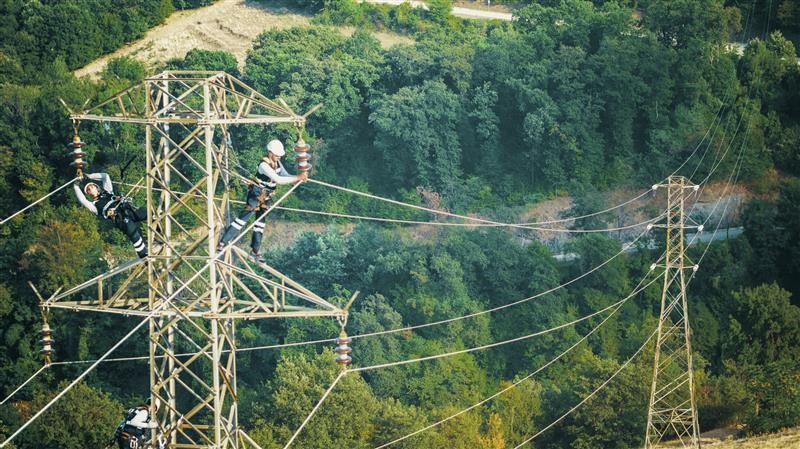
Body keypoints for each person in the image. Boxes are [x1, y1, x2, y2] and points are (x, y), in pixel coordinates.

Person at [217, 139, 307, 261]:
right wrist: (298, 177)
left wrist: (298, 178)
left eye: (280, 156)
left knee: (260, 224)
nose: (279, 158)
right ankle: (222, 242)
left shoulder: (277, 163)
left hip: (267, 196)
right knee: (243, 220)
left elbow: (284, 175)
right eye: (277, 155)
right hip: (256, 194)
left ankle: (255, 250)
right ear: (270, 152)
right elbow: (278, 179)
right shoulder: (263, 165)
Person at [74, 172, 150, 258]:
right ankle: (144, 255)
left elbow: (105, 176)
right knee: (134, 234)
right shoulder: (94, 206)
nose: (91, 189)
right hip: (120, 219)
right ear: (88, 193)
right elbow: (83, 200)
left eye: (92, 186)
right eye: (88, 189)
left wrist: (89, 176)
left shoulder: (108, 192)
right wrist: (76, 186)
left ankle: (158, 229)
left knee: (148, 213)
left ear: (96, 187)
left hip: (128, 210)